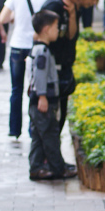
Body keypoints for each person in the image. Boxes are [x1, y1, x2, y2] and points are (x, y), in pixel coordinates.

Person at [41, 0, 105, 133]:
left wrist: (71, 15)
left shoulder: (72, 7)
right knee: (48, 120)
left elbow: (71, 36)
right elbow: (41, 37)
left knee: (59, 117)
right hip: (51, 70)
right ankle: (45, 158)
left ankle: (51, 158)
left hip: (63, 68)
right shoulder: (53, 4)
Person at [0, 0, 53, 139]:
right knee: (35, 89)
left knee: (16, 89)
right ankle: (33, 129)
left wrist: (17, 16)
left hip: (17, 46)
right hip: (36, 48)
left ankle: (14, 130)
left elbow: (2, 19)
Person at [27, 10, 77, 181]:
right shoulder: (42, 51)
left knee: (39, 137)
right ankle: (58, 168)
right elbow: (39, 75)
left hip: (38, 100)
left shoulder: (39, 48)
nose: (58, 31)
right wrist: (42, 96)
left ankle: (36, 168)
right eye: (56, 27)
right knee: (50, 135)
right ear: (47, 29)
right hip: (44, 100)